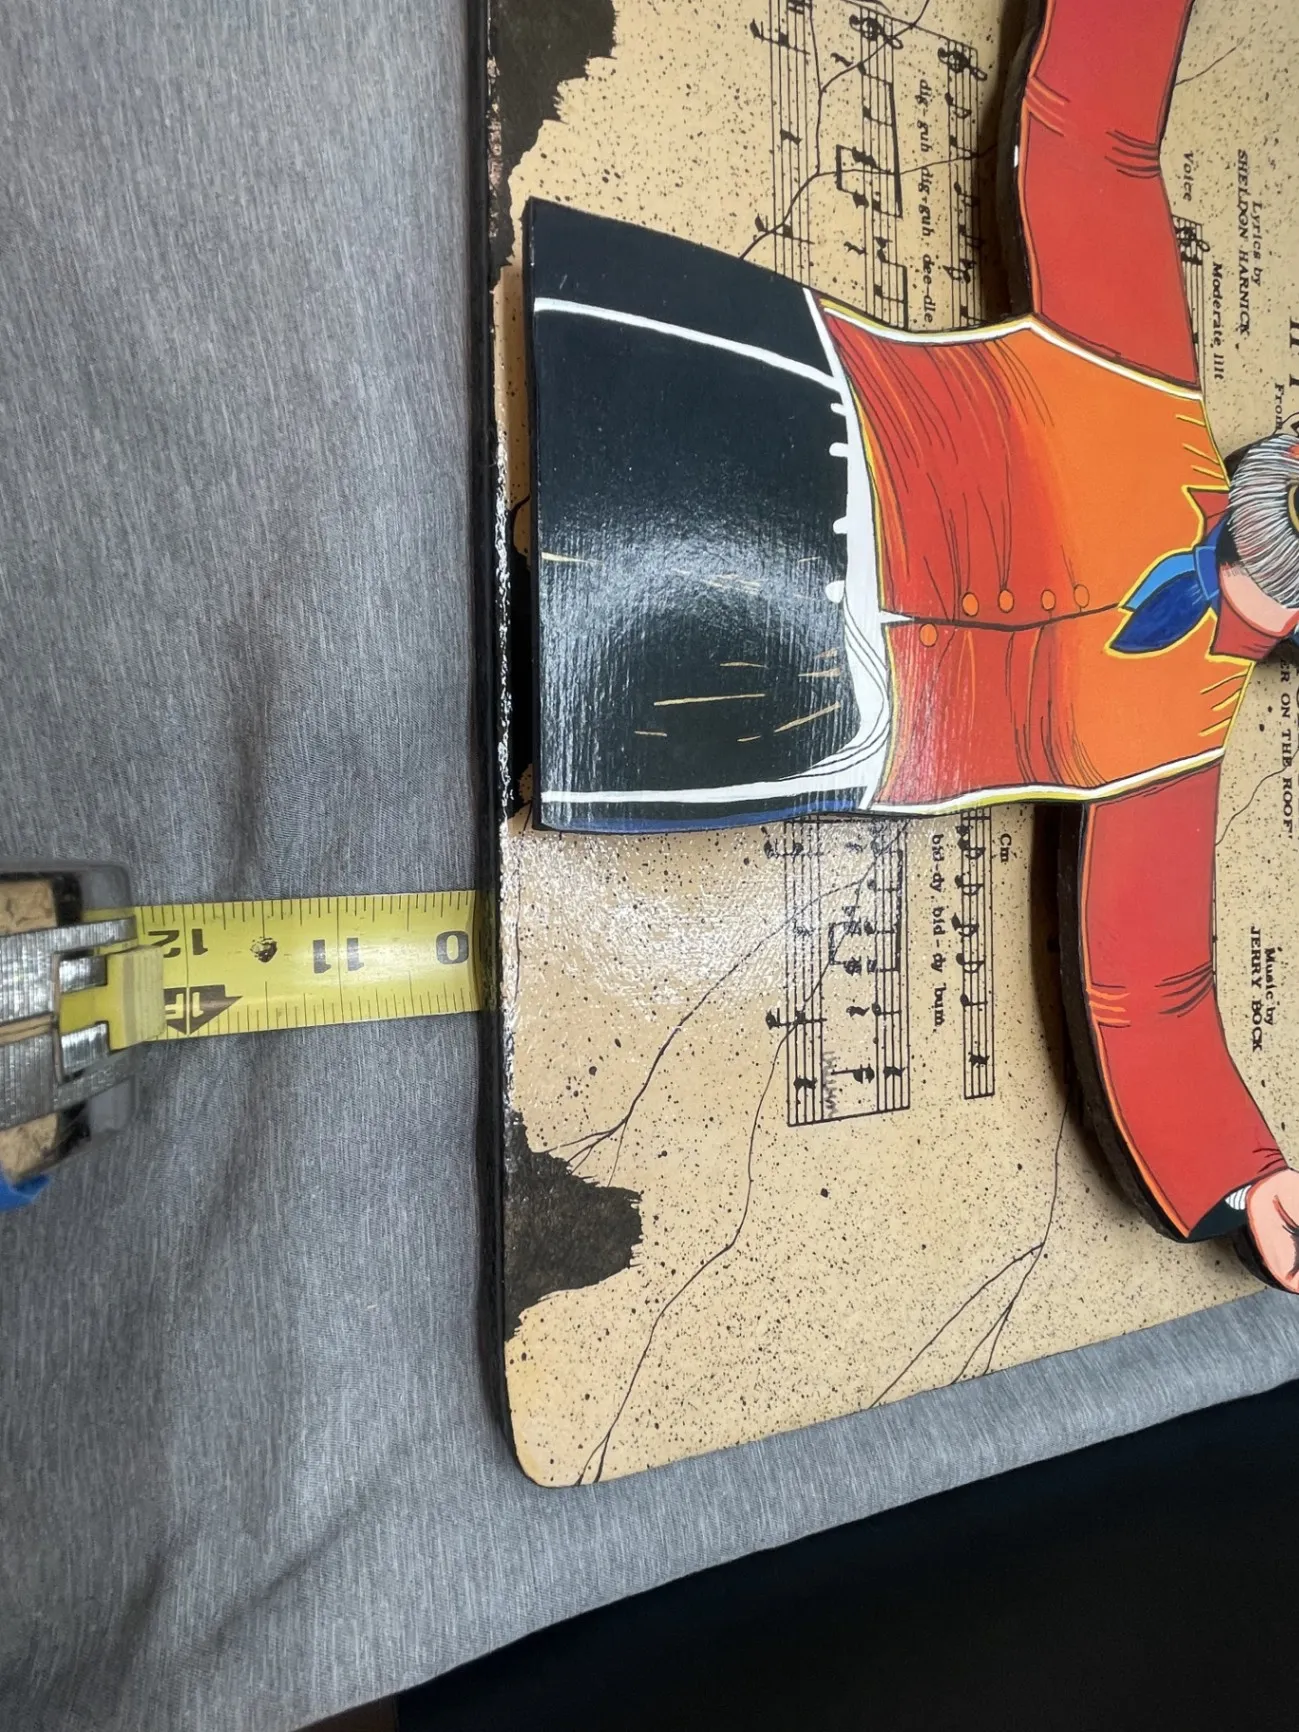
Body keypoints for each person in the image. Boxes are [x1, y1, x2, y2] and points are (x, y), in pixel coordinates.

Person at [524, 0, 1299, 1292]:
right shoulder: (1142, 356)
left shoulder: (1176, 754)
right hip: (787, 408)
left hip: (810, 698)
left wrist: (1244, 1176)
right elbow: (1090, 132)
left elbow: (1149, 990)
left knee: (480, 696)